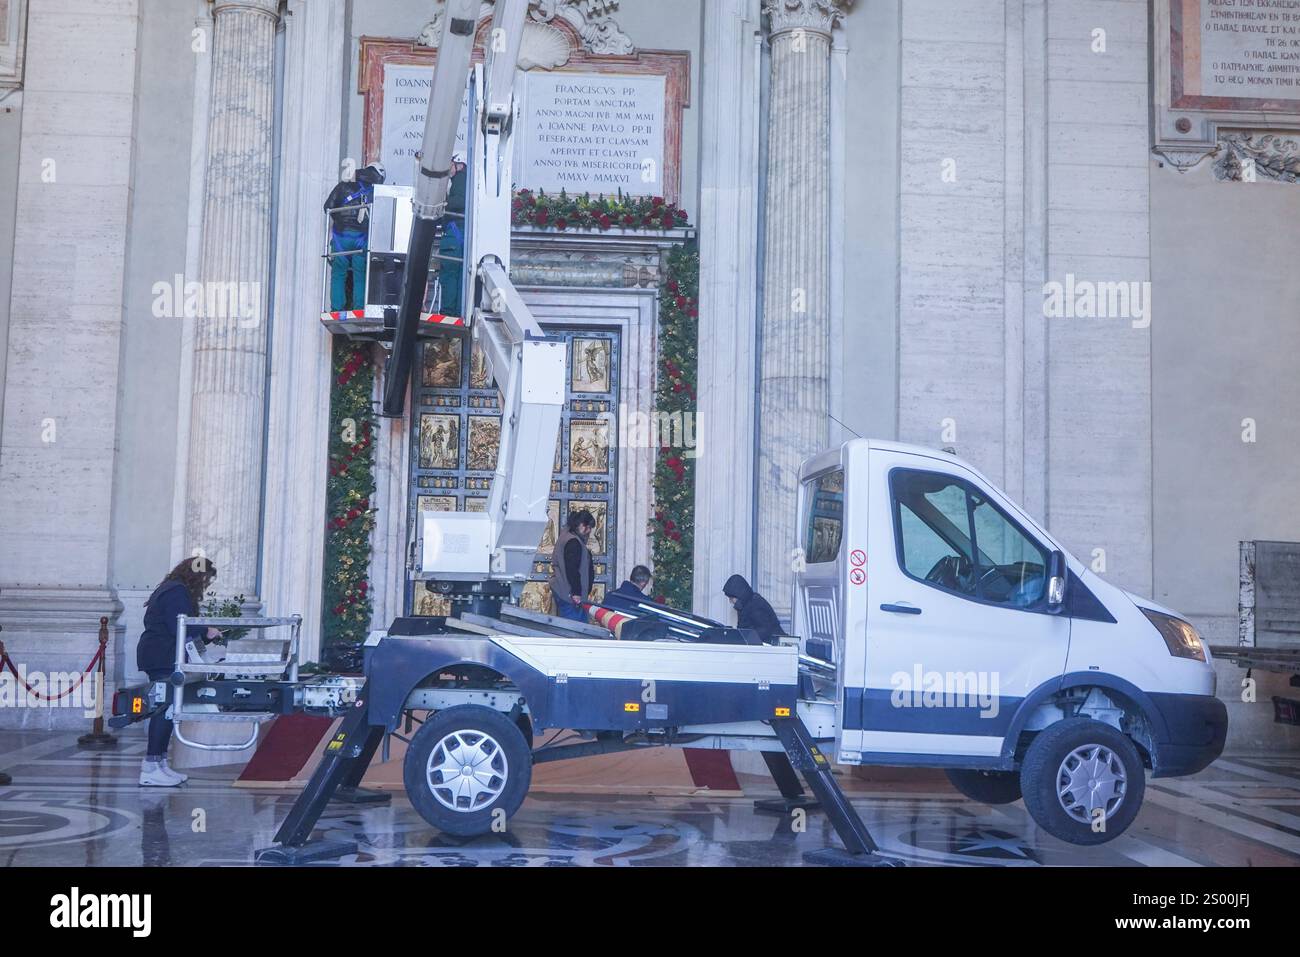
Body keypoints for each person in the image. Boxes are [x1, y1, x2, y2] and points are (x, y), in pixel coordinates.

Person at [135, 557, 221, 787]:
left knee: (167, 709)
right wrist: (207, 631)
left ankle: (159, 764)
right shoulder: (177, 591)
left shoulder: (171, 588)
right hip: (162, 655)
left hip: (160, 654)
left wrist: (203, 632)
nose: (206, 585)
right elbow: (179, 626)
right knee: (165, 709)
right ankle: (151, 765)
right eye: (206, 579)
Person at [324, 162, 386, 310]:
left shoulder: (343, 186)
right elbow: (381, 220)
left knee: (339, 273)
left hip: (341, 237)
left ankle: (337, 308)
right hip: (362, 238)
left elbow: (327, 207)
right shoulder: (376, 193)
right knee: (360, 273)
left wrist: (340, 221)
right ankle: (359, 308)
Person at [549, 509, 596, 622]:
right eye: (587, 527)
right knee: (575, 632)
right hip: (570, 596)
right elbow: (572, 569)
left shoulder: (566, 537)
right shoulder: (573, 542)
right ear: (580, 524)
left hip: (565, 593)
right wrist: (576, 592)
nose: (589, 531)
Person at [436, 157, 467, 317]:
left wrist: (441, 202)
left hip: (453, 234)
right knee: (460, 275)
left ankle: (448, 313)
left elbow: (458, 202)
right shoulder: (466, 180)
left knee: (449, 274)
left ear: (460, 165)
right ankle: (457, 312)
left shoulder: (460, 180)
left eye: (451, 163)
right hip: (461, 233)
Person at [722, 574, 784, 645]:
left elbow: (765, 629)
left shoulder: (756, 603)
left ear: (739, 595)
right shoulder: (745, 605)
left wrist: (745, 638)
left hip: (774, 646)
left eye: (732, 598)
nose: (731, 601)